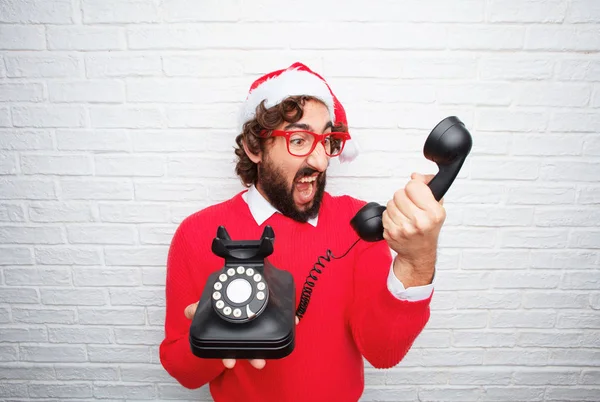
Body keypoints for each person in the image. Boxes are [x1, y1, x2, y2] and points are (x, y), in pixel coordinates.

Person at [159, 62, 446, 402]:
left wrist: (417, 261)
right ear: (255, 147)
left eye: (326, 140)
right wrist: (214, 334)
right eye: (299, 139)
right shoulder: (198, 233)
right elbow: (183, 373)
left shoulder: (358, 224)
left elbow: (384, 353)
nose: (322, 161)